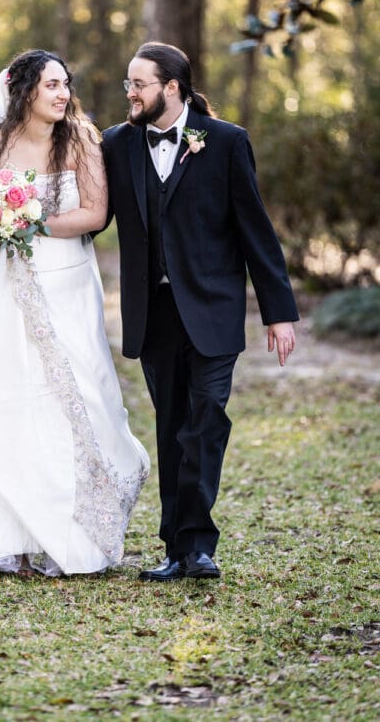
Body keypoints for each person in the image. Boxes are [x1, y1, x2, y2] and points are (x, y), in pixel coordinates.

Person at [0, 49, 149, 580]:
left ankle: (63, 535)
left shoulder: (81, 137)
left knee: (74, 395)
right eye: (51, 85)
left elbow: (95, 212)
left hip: (67, 281)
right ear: (23, 90)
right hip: (4, 284)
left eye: (66, 84)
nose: (62, 94)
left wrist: (29, 218)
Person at [101, 41, 298, 582]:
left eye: (138, 84)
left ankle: (199, 544)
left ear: (171, 88)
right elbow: (95, 217)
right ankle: (174, 549)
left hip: (213, 308)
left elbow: (254, 229)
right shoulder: (116, 144)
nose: (130, 93)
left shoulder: (226, 141)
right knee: (172, 427)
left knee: (207, 419)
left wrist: (278, 312)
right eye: (128, 83)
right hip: (153, 312)